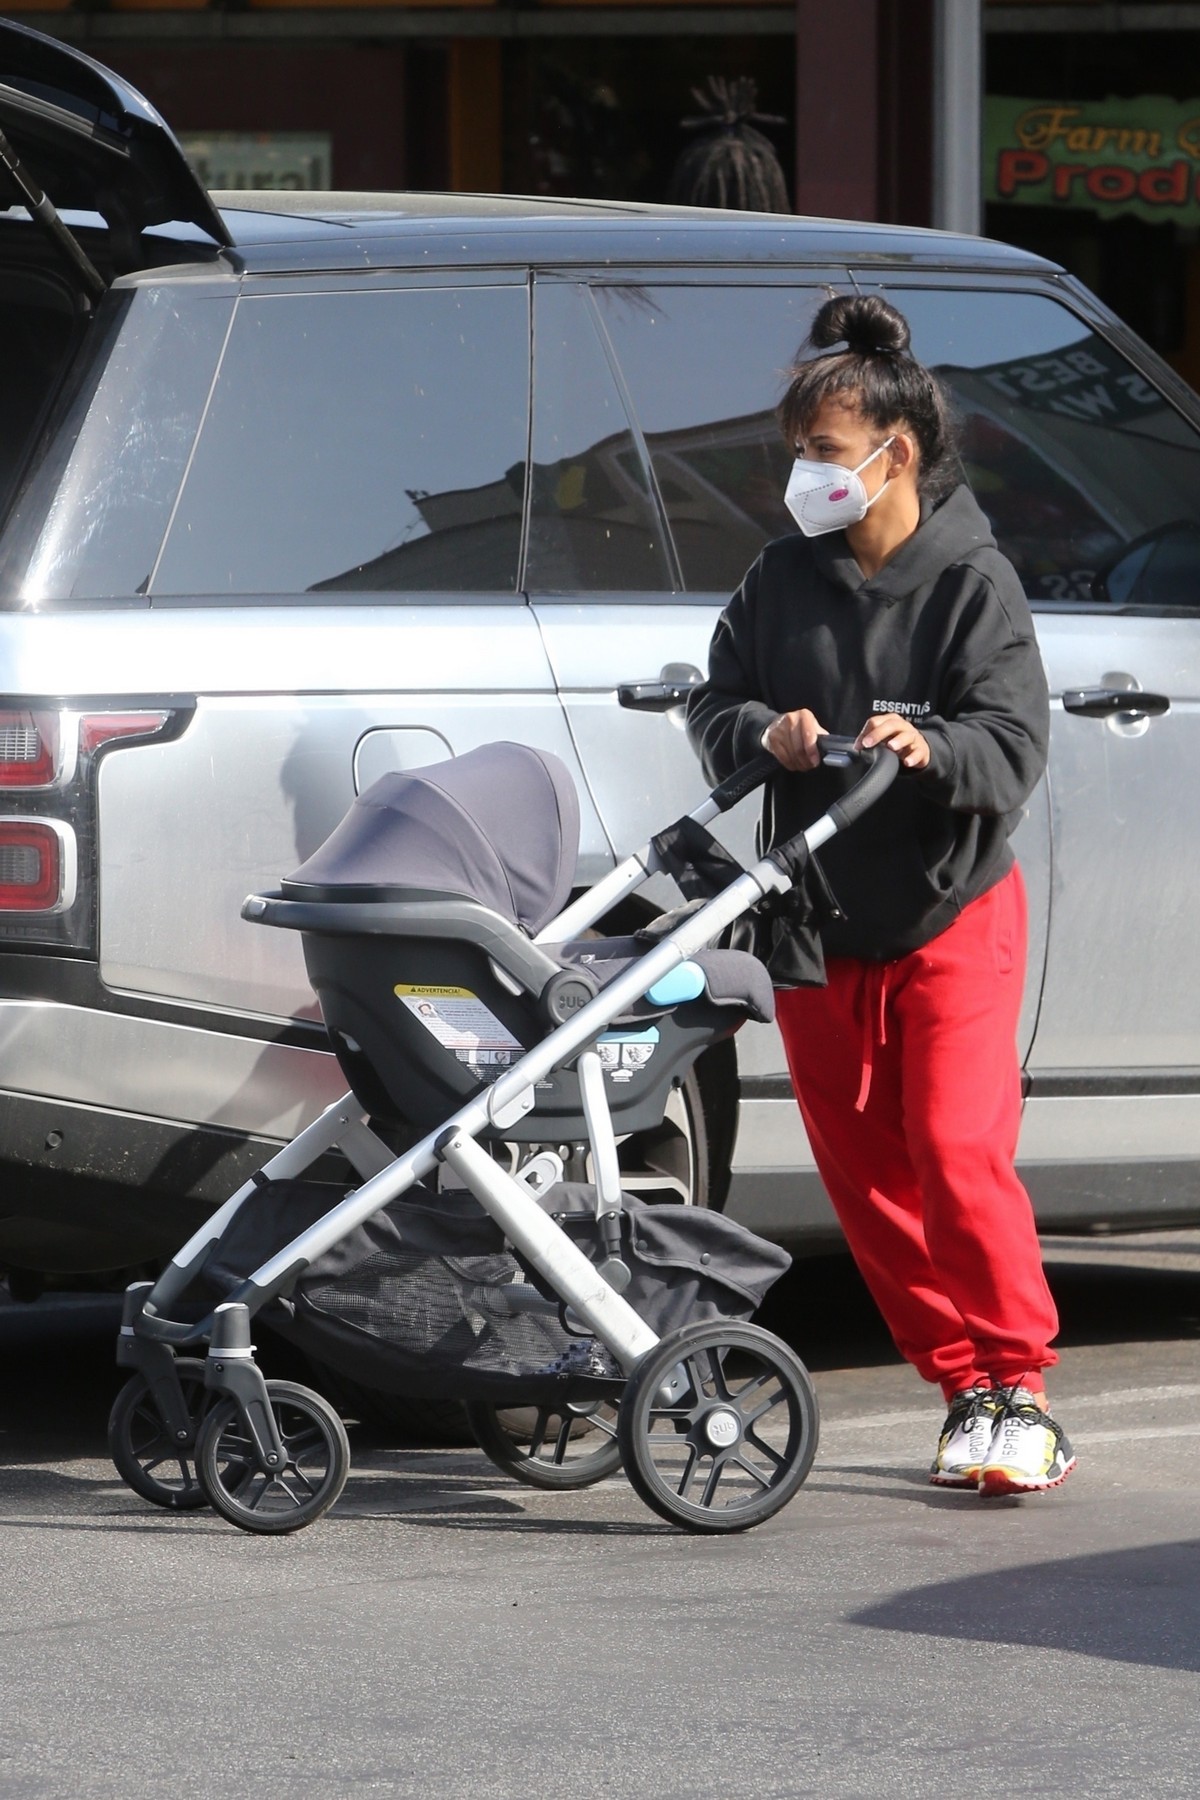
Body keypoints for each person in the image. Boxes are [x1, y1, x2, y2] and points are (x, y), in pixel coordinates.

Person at [686, 293, 1075, 1497]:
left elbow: (1012, 747)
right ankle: (962, 1388)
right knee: (865, 1175)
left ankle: (1025, 1389)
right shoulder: (779, 580)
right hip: (814, 916)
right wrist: (770, 733)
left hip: (948, 909)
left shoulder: (974, 584)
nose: (801, 475)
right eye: (798, 452)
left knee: (956, 1152)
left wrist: (928, 745)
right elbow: (715, 713)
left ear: (893, 454)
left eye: (820, 453)